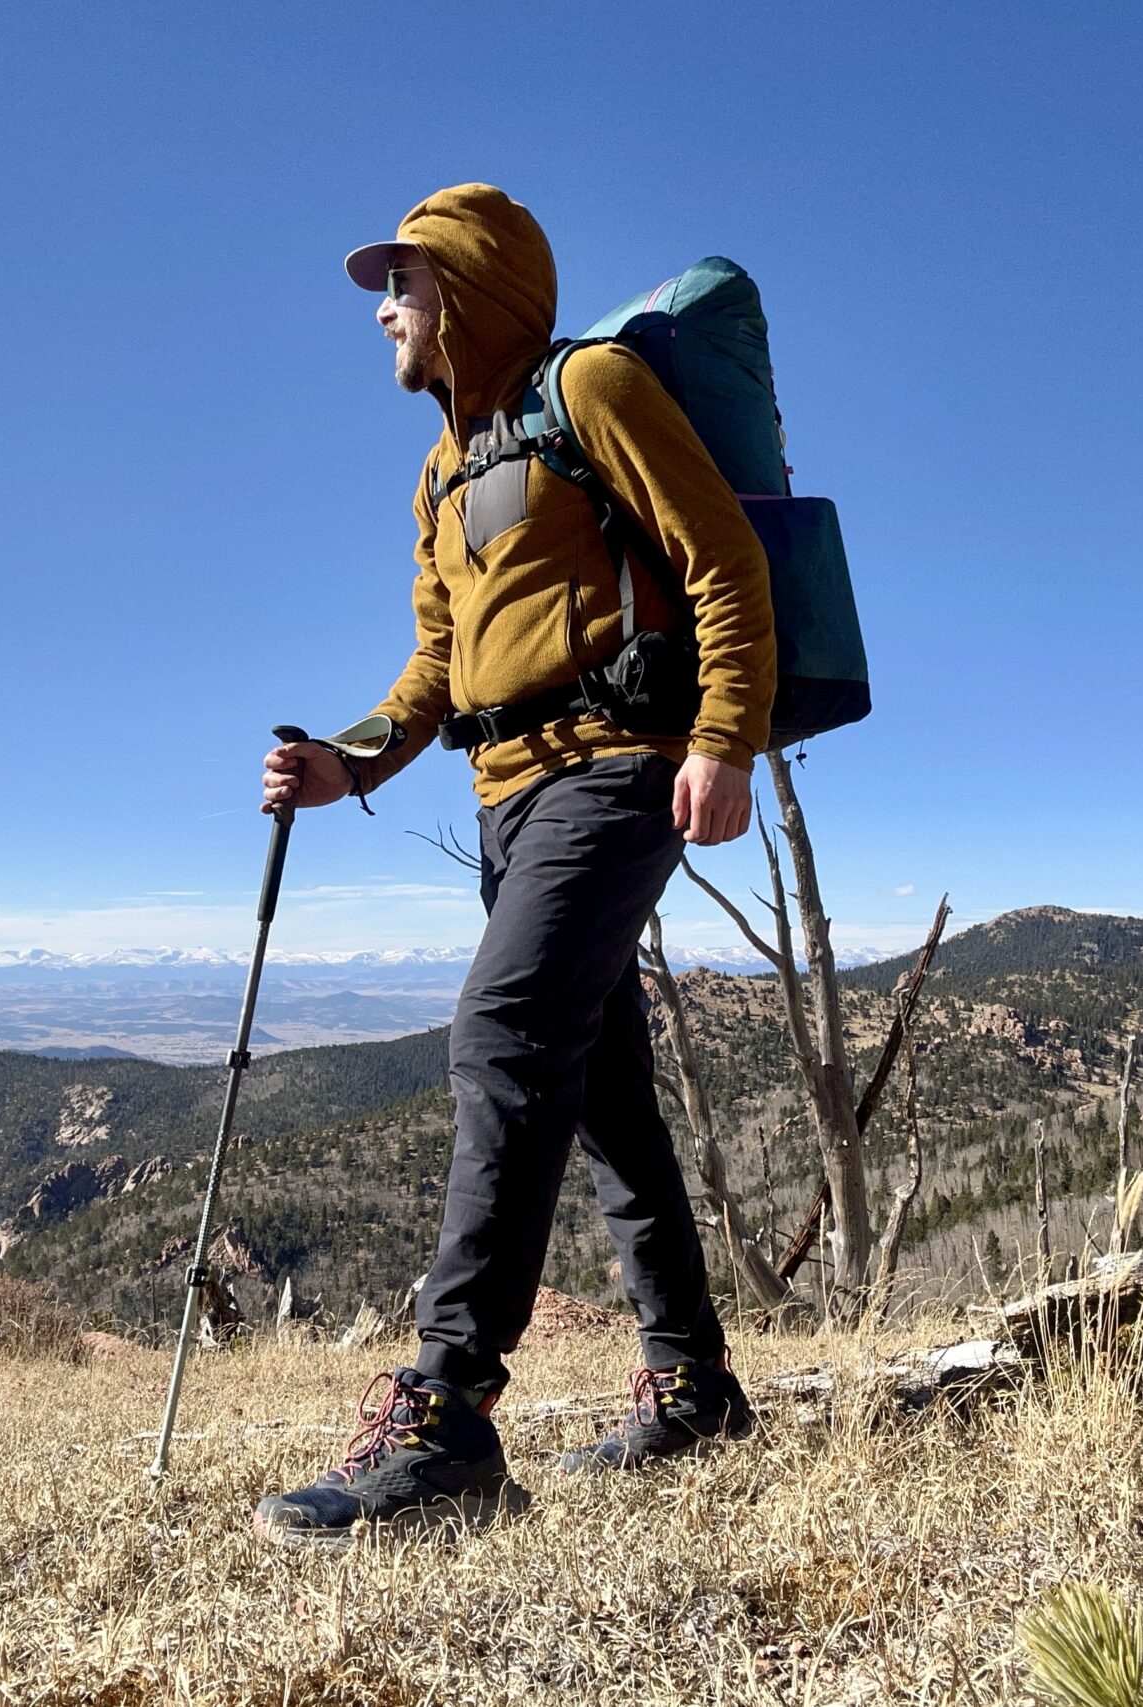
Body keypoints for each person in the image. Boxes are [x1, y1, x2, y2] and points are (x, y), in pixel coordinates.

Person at [252, 184, 777, 1545]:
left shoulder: (588, 391)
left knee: (502, 1030)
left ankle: (448, 1422)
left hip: (620, 767)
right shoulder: (441, 474)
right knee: (601, 1087)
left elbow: (721, 558)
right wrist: (350, 764)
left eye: (404, 286)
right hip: (507, 799)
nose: (383, 309)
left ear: (469, 291)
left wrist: (723, 740)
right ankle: (693, 1382)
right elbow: (433, 669)